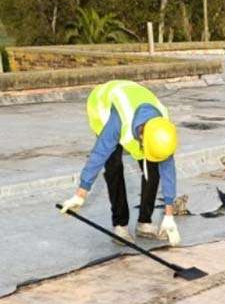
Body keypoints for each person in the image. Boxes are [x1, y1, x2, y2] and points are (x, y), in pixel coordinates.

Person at [59, 80, 181, 246]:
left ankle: (144, 222)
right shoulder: (119, 120)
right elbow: (98, 154)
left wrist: (168, 215)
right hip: (103, 108)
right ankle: (120, 226)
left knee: (152, 167)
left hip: (135, 101)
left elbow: (168, 170)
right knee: (113, 165)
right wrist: (81, 193)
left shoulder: (162, 127)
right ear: (142, 137)